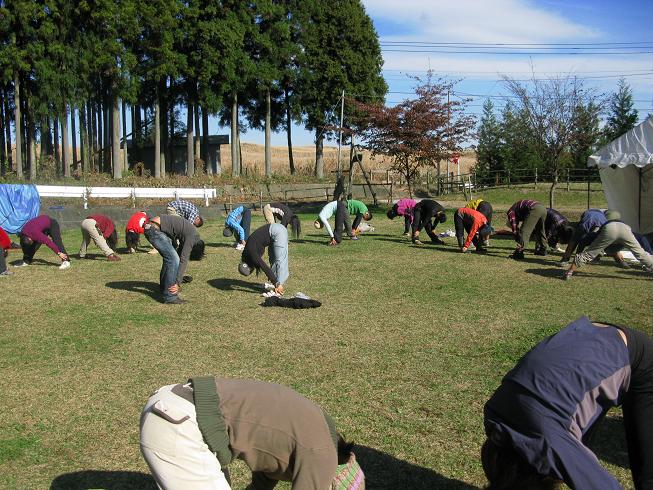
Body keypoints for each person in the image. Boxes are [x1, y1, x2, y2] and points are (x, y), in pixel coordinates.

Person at [482, 316, 653, 490]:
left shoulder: (550, 445)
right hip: (583, 341)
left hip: (637, 357)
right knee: (577, 449)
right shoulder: (493, 417)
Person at [140, 376, 364, 490]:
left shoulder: (317, 432)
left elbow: (266, 475)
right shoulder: (321, 456)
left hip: (174, 401)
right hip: (178, 423)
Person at [563, 212, 653, 280]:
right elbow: (642, 239)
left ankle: (569, 272)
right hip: (626, 229)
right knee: (641, 254)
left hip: (609, 230)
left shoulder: (604, 224)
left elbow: (594, 242)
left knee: (590, 253)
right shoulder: (622, 224)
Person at [144, 214, 201, 304]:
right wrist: (178, 282)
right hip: (154, 229)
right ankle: (170, 296)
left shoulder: (188, 231)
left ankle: (164, 287)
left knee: (170, 258)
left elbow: (176, 247)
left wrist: (179, 276)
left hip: (150, 226)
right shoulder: (192, 236)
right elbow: (183, 259)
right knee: (173, 260)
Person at [238, 223, 289, 295]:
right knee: (273, 258)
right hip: (274, 231)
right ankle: (276, 283)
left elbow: (264, 267)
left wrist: (275, 283)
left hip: (277, 231)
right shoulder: (246, 253)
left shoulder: (252, 255)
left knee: (280, 260)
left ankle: (279, 287)